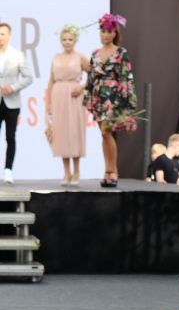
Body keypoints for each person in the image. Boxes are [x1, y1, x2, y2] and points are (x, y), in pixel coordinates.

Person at [84, 13, 137, 188]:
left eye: (109, 31)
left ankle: (112, 170)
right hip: (99, 96)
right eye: (103, 31)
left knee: (107, 132)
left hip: (114, 97)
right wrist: (87, 97)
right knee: (103, 134)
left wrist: (128, 100)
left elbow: (126, 77)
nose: (105, 35)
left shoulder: (121, 53)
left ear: (115, 33)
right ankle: (107, 170)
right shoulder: (95, 53)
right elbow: (91, 77)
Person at [45, 25, 90, 186]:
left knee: (74, 132)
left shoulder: (80, 57)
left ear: (75, 40)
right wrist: (48, 103)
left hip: (75, 97)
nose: (67, 42)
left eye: (70, 39)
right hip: (58, 96)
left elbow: (94, 75)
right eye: (64, 39)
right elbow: (51, 81)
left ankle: (76, 171)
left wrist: (82, 87)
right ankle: (66, 172)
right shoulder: (55, 57)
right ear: (60, 41)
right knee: (61, 133)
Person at [0, 22, 33, 184]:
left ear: (9, 35)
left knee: (10, 136)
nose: (0, 37)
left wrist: (12, 87)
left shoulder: (17, 55)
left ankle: (8, 170)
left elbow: (28, 77)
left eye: (3, 34)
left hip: (12, 102)